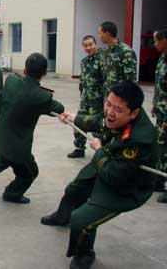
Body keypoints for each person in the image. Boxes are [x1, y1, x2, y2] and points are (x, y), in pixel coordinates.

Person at [41, 81, 156, 269]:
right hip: (110, 161)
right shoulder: (116, 114)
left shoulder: (139, 139)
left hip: (127, 185)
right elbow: (99, 121)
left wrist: (99, 151)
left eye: (117, 109)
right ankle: (62, 216)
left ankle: (84, 254)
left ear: (134, 113)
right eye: (108, 104)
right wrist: (74, 117)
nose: (110, 111)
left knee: (81, 220)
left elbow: (113, 176)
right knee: (74, 189)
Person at [0, 53, 64, 203]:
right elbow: (59, 108)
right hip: (17, 144)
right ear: (45, 73)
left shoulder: (11, 80)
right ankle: (12, 194)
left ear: (24, 70)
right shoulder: (41, 97)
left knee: (4, 156)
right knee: (30, 173)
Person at [68, 36, 104, 158]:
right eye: (85, 45)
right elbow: (83, 81)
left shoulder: (103, 60)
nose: (88, 47)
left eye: (90, 44)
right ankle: (79, 148)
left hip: (98, 102)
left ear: (96, 44)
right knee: (78, 123)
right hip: (85, 101)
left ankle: (101, 152)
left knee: (97, 128)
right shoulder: (84, 61)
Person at [98, 21, 137, 95]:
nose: (99, 36)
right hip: (109, 96)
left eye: (100, 33)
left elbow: (130, 80)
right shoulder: (106, 52)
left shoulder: (125, 51)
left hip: (120, 97)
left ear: (107, 34)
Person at [152, 26, 167, 203]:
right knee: (161, 149)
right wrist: (156, 105)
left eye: (156, 41)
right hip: (161, 113)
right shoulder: (162, 58)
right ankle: (158, 180)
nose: (154, 44)